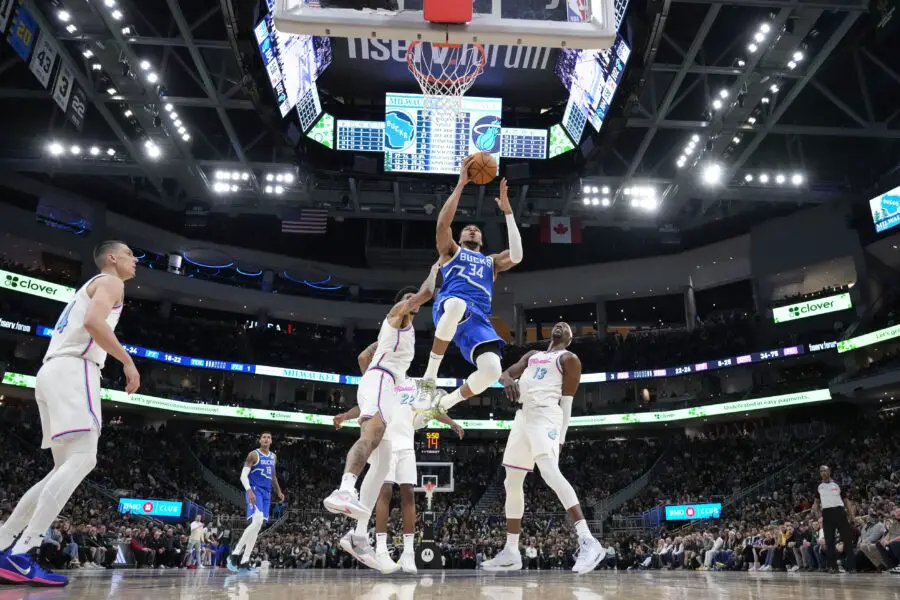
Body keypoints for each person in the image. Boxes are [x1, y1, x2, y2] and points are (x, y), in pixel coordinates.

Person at [0, 241, 140, 587]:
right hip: (75, 369)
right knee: (83, 460)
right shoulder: (111, 282)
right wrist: (127, 361)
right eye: (129, 254)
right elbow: (95, 322)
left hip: (51, 372)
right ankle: (24, 551)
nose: (134, 260)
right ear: (112, 258)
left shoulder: (88, 286)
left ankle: (4, 544)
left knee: (62, 469)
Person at [321, 265, 439, 572]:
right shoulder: (396, 317)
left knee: (384, 462)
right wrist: (434, 268)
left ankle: (359, 535)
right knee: (370, 438)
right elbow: (427, 292)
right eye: (409, 300)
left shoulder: (402, 336)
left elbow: (363, 356)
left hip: (386, 388)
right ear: (402, 304)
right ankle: (345, 488)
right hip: (380, 380)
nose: (416, 302)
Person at [481, 322, 606, 574]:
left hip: (547, 415)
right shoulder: (532, 355)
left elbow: (567, 404)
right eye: (557, 323)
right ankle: (511, 551)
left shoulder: (569, 359)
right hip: (523, 417)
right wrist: (506, 380)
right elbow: (506, 373)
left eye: (566, 327)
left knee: (549, 472)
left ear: (569, 338)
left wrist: (560, 439)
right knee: (511, 482)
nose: (560, 324)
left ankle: (589, 541)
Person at [415, 157, 523, 417]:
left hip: (478, 320)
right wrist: (462, 184)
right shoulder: (451, 252)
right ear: (460, 238)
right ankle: (429, 378)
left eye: (476, 230)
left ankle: (443, 405)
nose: (472, 230)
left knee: (493, 370)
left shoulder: (491, 262)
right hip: (449, 306)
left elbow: (518, 256)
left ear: (482, 239)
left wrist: (508, 212)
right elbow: (442, 225)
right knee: (457, 304)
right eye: (467, 229)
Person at [333, 379, 464, 574]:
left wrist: (452, 423)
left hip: (406, 445)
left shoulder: (417, 384)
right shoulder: (386, 381)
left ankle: (409, 553)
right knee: (384, 491)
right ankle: (381, 549)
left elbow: (433, 409)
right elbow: (364, 407)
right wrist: (346, 415)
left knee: (409, 494)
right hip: (386, 442)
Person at [227, 432, 285, 572]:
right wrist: (249, 491)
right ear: (260, 440)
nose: (266, 439)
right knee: (257, 521)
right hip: (255, 490)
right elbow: (243, 476)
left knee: (257, 527)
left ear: (271, 441)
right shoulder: (253, 455)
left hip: (266, 493)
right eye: (263, 437)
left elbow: (273, 476)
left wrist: (278, 491)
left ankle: (245, 561)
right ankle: (235, 553)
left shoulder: (273, 456)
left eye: (268, 437)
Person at [812, 464, 855, 573]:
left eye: (825, 470)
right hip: (827, 513)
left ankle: (851, 566)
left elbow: (846, 501)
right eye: (821, 471)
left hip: (839, 512)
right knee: (829, 541)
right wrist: (818, 516)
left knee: (847, 539)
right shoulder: (819, 487)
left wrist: (851, 515)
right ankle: (832, 567)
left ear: (829, 472)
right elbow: (816, 503)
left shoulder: (838, 484)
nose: (823, 473)